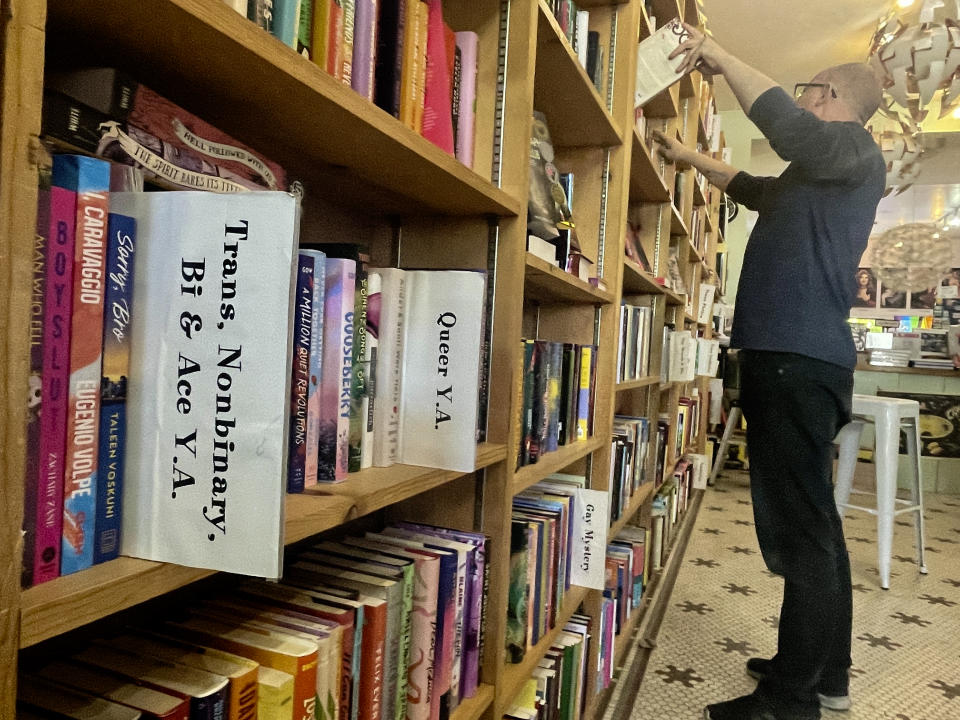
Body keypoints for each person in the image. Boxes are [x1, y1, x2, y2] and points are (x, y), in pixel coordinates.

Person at [652, 23, 886, 720]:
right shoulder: (819, 176)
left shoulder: (849, 146)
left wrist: (720, 57)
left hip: (794, 360)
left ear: (829, 94)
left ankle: (790, 700)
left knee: (801, 533)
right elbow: (752, 185)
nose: (802, 98)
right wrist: (686, 155)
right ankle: (826, 673)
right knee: (816, 527)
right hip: (796, 360)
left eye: (809, 89)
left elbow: (786, 131)